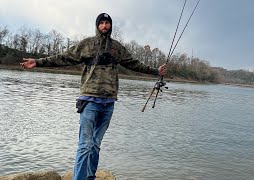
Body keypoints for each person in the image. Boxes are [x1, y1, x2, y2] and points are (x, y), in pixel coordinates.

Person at [20, 13, 166, 180]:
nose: (104, 26)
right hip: (89, 100)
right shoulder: (87, 44)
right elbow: (63, 58)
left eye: (107, 23)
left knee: (95, 145)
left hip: (109, 102)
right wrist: (38, 62)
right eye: (101, 23)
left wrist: (156, 71)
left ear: (110, 26)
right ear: (97, 25)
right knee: (85, 145)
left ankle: (90, 177)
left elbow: (134, 63)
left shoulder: (116, 48)